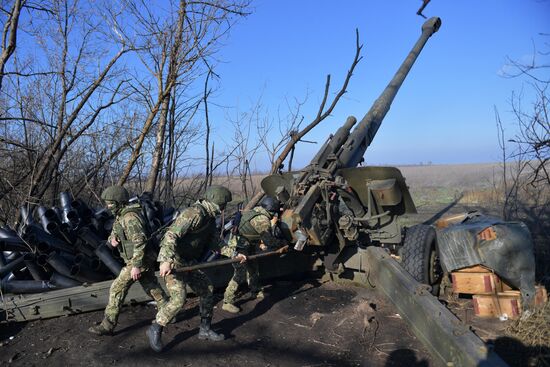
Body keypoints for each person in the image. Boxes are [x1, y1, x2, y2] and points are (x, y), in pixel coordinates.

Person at [147, 185, 232, 352]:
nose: (223, 210)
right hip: (174, 261)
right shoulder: (194, 214)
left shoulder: (208, 219)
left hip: (189, 262)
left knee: (207, 289)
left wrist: (234, 254)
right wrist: (165, 260)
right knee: (179, 299)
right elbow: (171, 235)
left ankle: (205, 330)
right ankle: (156, 328)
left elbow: (216, 243)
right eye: (222, 206)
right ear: (214, 202)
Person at [89, 185, 168, 336]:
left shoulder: (130, 217)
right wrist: (113, 238)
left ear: (119, 202)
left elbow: (140, 242)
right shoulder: (121, 215)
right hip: (139, 259)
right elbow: (117, 231)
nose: (108, 206)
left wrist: (136, 266)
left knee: (117, 289)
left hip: (139, 260)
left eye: (110, 202)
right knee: (152, 287)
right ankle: (168, 313)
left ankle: (107, 325)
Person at [221, 195, 285, 313]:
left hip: (246, 243)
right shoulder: (262, 220)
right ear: (271, 211)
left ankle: (255, 290)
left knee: (253, 267)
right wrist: (283, 244)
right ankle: (227, 301)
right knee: (239, 273)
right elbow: (269, 241)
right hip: (237, 246)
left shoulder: (254, 211)